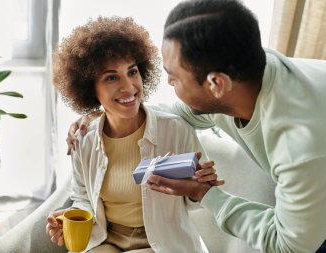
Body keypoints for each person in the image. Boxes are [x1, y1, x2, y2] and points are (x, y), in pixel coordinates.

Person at [66, 1, 326, 253]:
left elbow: (290, 245)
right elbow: (175, 112)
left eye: (175, 77)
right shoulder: (244, 67)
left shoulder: (300, 145)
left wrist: (204, 193)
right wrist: (103, 113)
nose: (166, 82)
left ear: (216, 85)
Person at [46, 16, 224, 253]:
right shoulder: (83, 140)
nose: (128, 87)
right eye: (111, 77)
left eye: (132, 72)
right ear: (90, 89)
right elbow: (83, 198)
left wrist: (200, 187)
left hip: (162, 243)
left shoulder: (175, 129)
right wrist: (72, 216)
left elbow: (196, 203)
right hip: (106, 240)